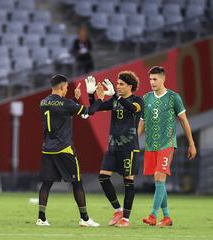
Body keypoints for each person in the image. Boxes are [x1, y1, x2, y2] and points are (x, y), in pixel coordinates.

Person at [36, 74, 103, 227]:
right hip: (64, 149)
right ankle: (85, 219)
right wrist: (99, 98)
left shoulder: (43, 102)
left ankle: (41, 218)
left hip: (47, 149)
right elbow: (88, 111)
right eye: (66, 88)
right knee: (77, 183)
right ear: (61, 87)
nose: (66, 90)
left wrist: (73, 99)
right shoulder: (66, 104)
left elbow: (60, 111)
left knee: (46, 184)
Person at [138, 66, 197, 227]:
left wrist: (191, 143)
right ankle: (167, 217)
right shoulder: (146, 98)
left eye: (155, 79)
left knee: (159, 176)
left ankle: (152, 215)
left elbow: (184, 120)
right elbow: (141, 123)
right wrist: (134, 141)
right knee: (159, 181)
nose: (152, 82)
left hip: (167, 143)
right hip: (150, 145)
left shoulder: (173, 97)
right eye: (150, 79)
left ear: (163, 79)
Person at [85, 72, 143, 227]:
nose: (117, 86)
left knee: (128, 181)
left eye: (121, 84)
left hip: (129, 148)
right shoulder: (115, 100)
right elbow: (94, 109)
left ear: (130, 86)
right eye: (117, 84)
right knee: (103, 177)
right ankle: (118, 210)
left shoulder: (138, 100)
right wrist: (91, 94)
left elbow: (132, 109)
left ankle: (126, 219)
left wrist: (116, 97)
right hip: (113, 146)